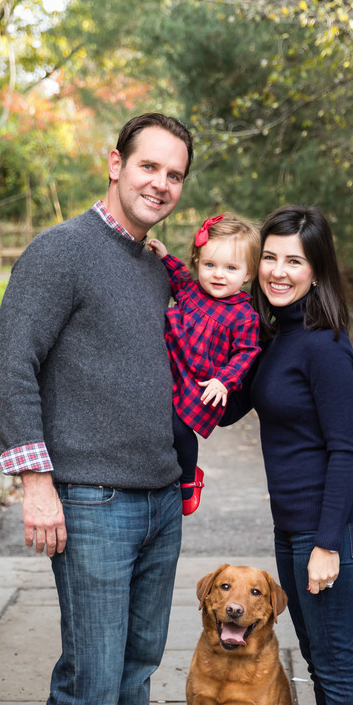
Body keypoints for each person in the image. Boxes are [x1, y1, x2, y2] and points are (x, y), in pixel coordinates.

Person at [0, 112, 194, 705]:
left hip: (157, 496)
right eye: (148, 167)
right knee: (91, 675)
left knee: (135, 671)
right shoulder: (60, 251)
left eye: (173, 175)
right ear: (114, 163)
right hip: (92, 498)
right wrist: (37, 481)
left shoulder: (152, 267)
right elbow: (11, 366)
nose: (159, 184)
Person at [222, 204, 353, 705]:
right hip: (292, 528)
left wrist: (326, 544)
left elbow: (345, 450)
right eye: (271, 258)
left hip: (323, 530)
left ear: (317, 269)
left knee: (333, 663)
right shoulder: (275, 333)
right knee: (316, 656)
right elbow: (233, 408)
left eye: (294, 261)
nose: (278, 271)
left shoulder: (325, 344)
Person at [147, 214, 260, 513]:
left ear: (248, 274)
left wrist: (225, 380)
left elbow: (246, 352)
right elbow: (178, 277)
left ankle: (188, 477)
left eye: (231, 268)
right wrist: (164, 257)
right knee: (159, 420)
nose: (218, 275)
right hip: (172, 366)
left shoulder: (244, 315)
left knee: (181, 429)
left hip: (201, 382)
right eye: (210, 265)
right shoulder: (191, 290)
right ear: (198, 262)